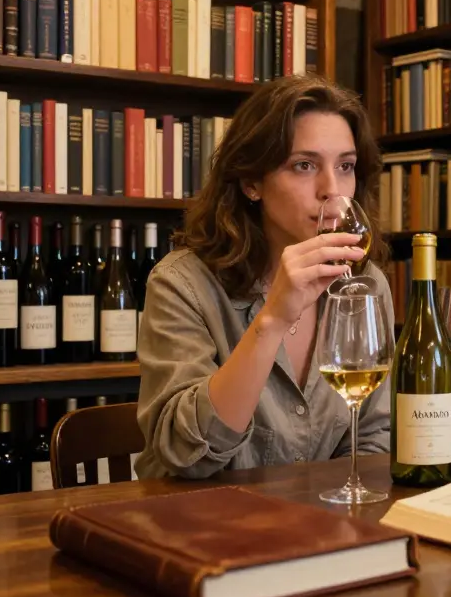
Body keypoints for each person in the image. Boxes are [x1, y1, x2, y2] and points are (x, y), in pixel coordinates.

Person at [134, 75, 393, 479]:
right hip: (203, 527)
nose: (331, 189)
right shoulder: (181, 284)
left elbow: (376, 435)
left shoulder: (365, 282)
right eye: (304, 165)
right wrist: (271, 321)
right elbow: (184, 454)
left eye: (345, 166)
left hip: (323, 528)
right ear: (251, 182)